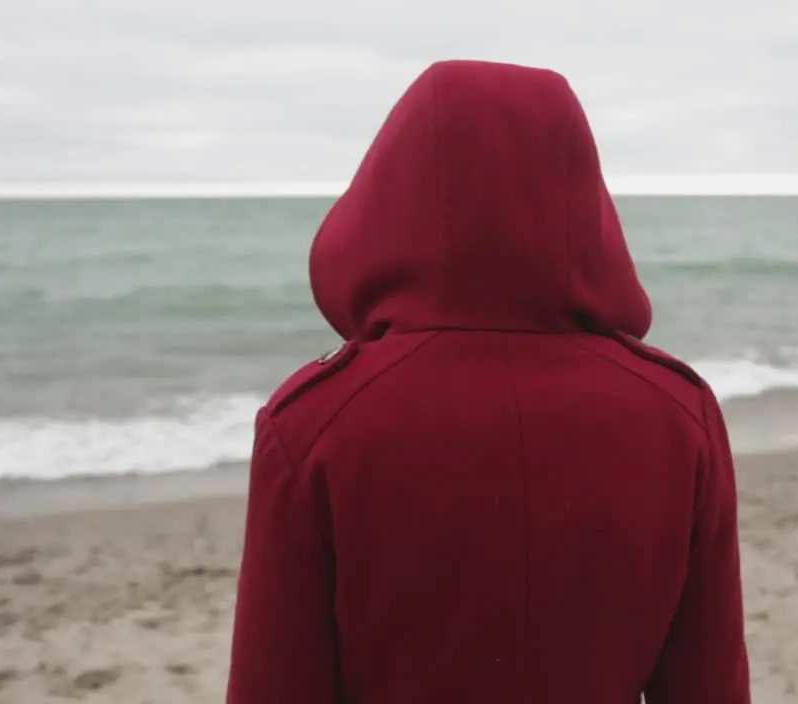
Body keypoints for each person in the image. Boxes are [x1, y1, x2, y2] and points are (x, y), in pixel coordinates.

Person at [226, 59, 749, 704]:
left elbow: (274, 689)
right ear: (579, 191)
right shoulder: (677, 414)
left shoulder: (313, 427)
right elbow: (709, 687)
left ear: (393, 190)